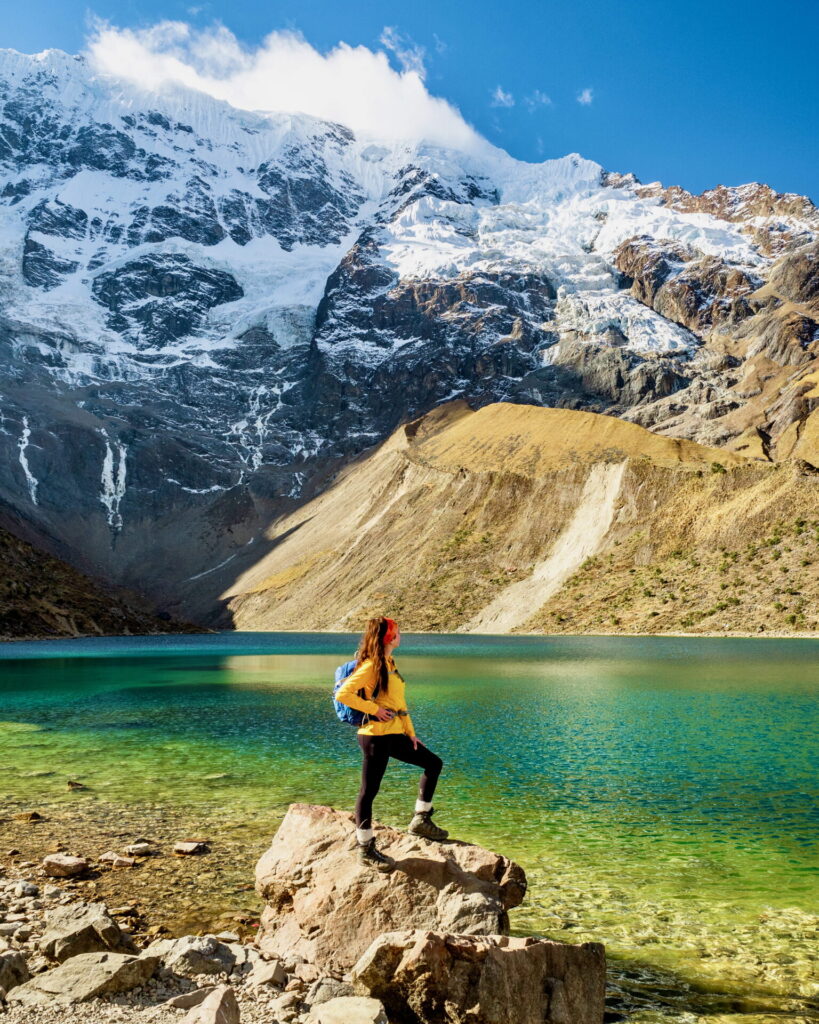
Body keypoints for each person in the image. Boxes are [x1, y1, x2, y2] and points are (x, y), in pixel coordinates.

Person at [334, 615, 448, 870]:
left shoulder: (389, 662)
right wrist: (373, 709)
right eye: (398, 631)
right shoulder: (373, 665)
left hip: (394, 734)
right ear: (389, 637)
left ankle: (421, 820)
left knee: (433, 764)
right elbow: (343, 693)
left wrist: (410, 732)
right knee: (369, 791)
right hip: (375, 736)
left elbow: (400, 705)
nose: (401, 635)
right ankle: (365, 848)